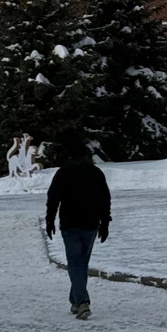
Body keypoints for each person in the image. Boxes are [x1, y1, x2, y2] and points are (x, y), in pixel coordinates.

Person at [45, 133, 112, 321]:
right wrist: (105, 223)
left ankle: (80, 301)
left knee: (76, 263)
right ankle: (77, 299)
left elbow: (53, 198)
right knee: (81, 263)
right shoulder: (96, 173)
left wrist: (50, 220)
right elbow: (105, 200)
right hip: (91, 224)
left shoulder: (63, 171)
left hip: (70, 224)